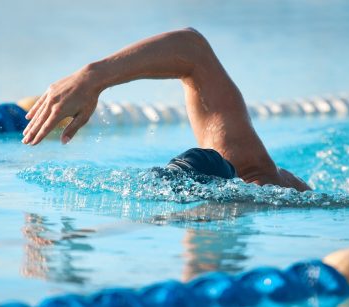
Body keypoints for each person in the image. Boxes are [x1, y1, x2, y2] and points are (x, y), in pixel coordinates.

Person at [21, 28, 311, 192]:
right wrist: (92, 76)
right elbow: (193, 50)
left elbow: (193, 48)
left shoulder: (259, 176)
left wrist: (95, 75)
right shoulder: (241, 156)